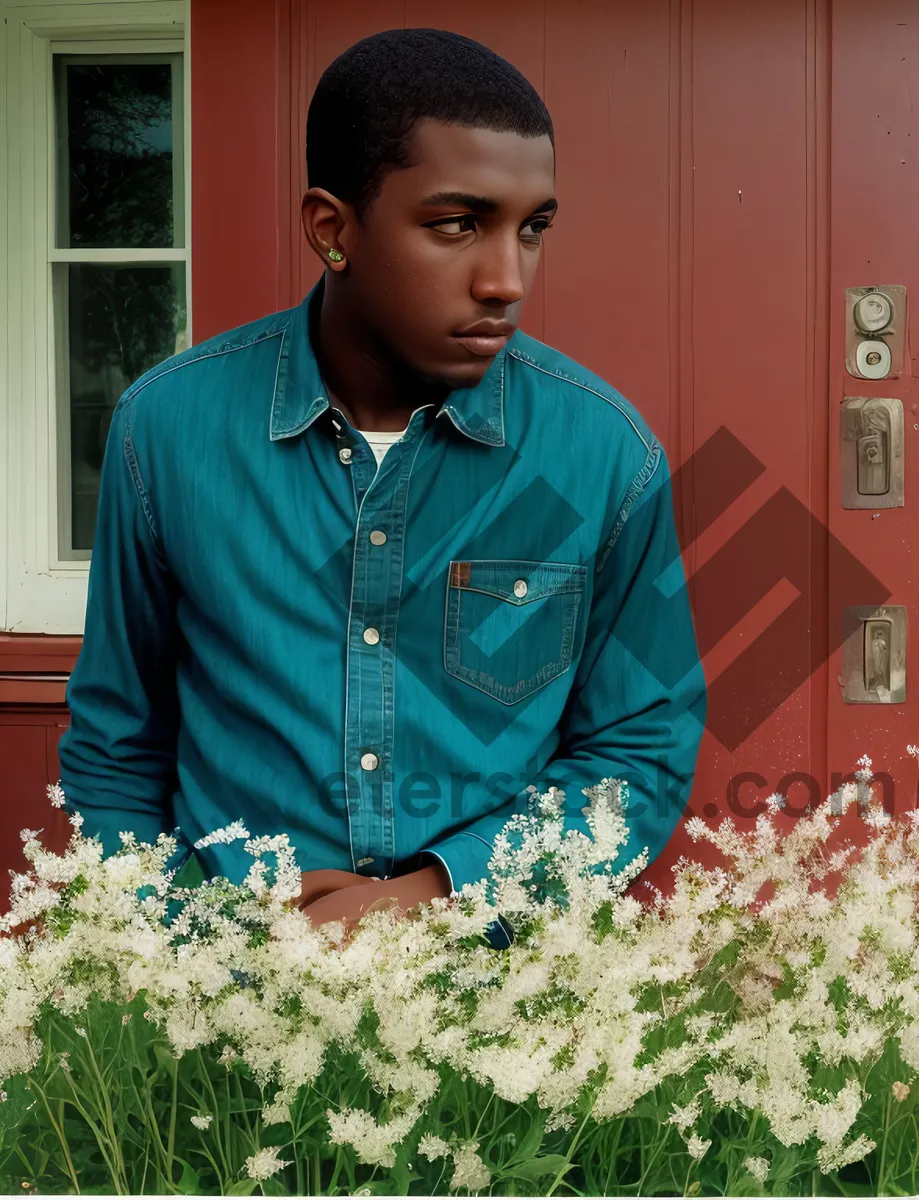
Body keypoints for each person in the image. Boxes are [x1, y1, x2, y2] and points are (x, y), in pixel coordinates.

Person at [57, 28, 707, 945]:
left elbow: (637, 754)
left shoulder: (604, 456)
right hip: (224, 1015)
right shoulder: (165, 432)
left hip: (498, 1015)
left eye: (532, 228)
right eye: (458, 224)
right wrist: (184, 945)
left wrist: (430, 905)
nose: (506, 279)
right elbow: (117, 750)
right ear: (332, 230)